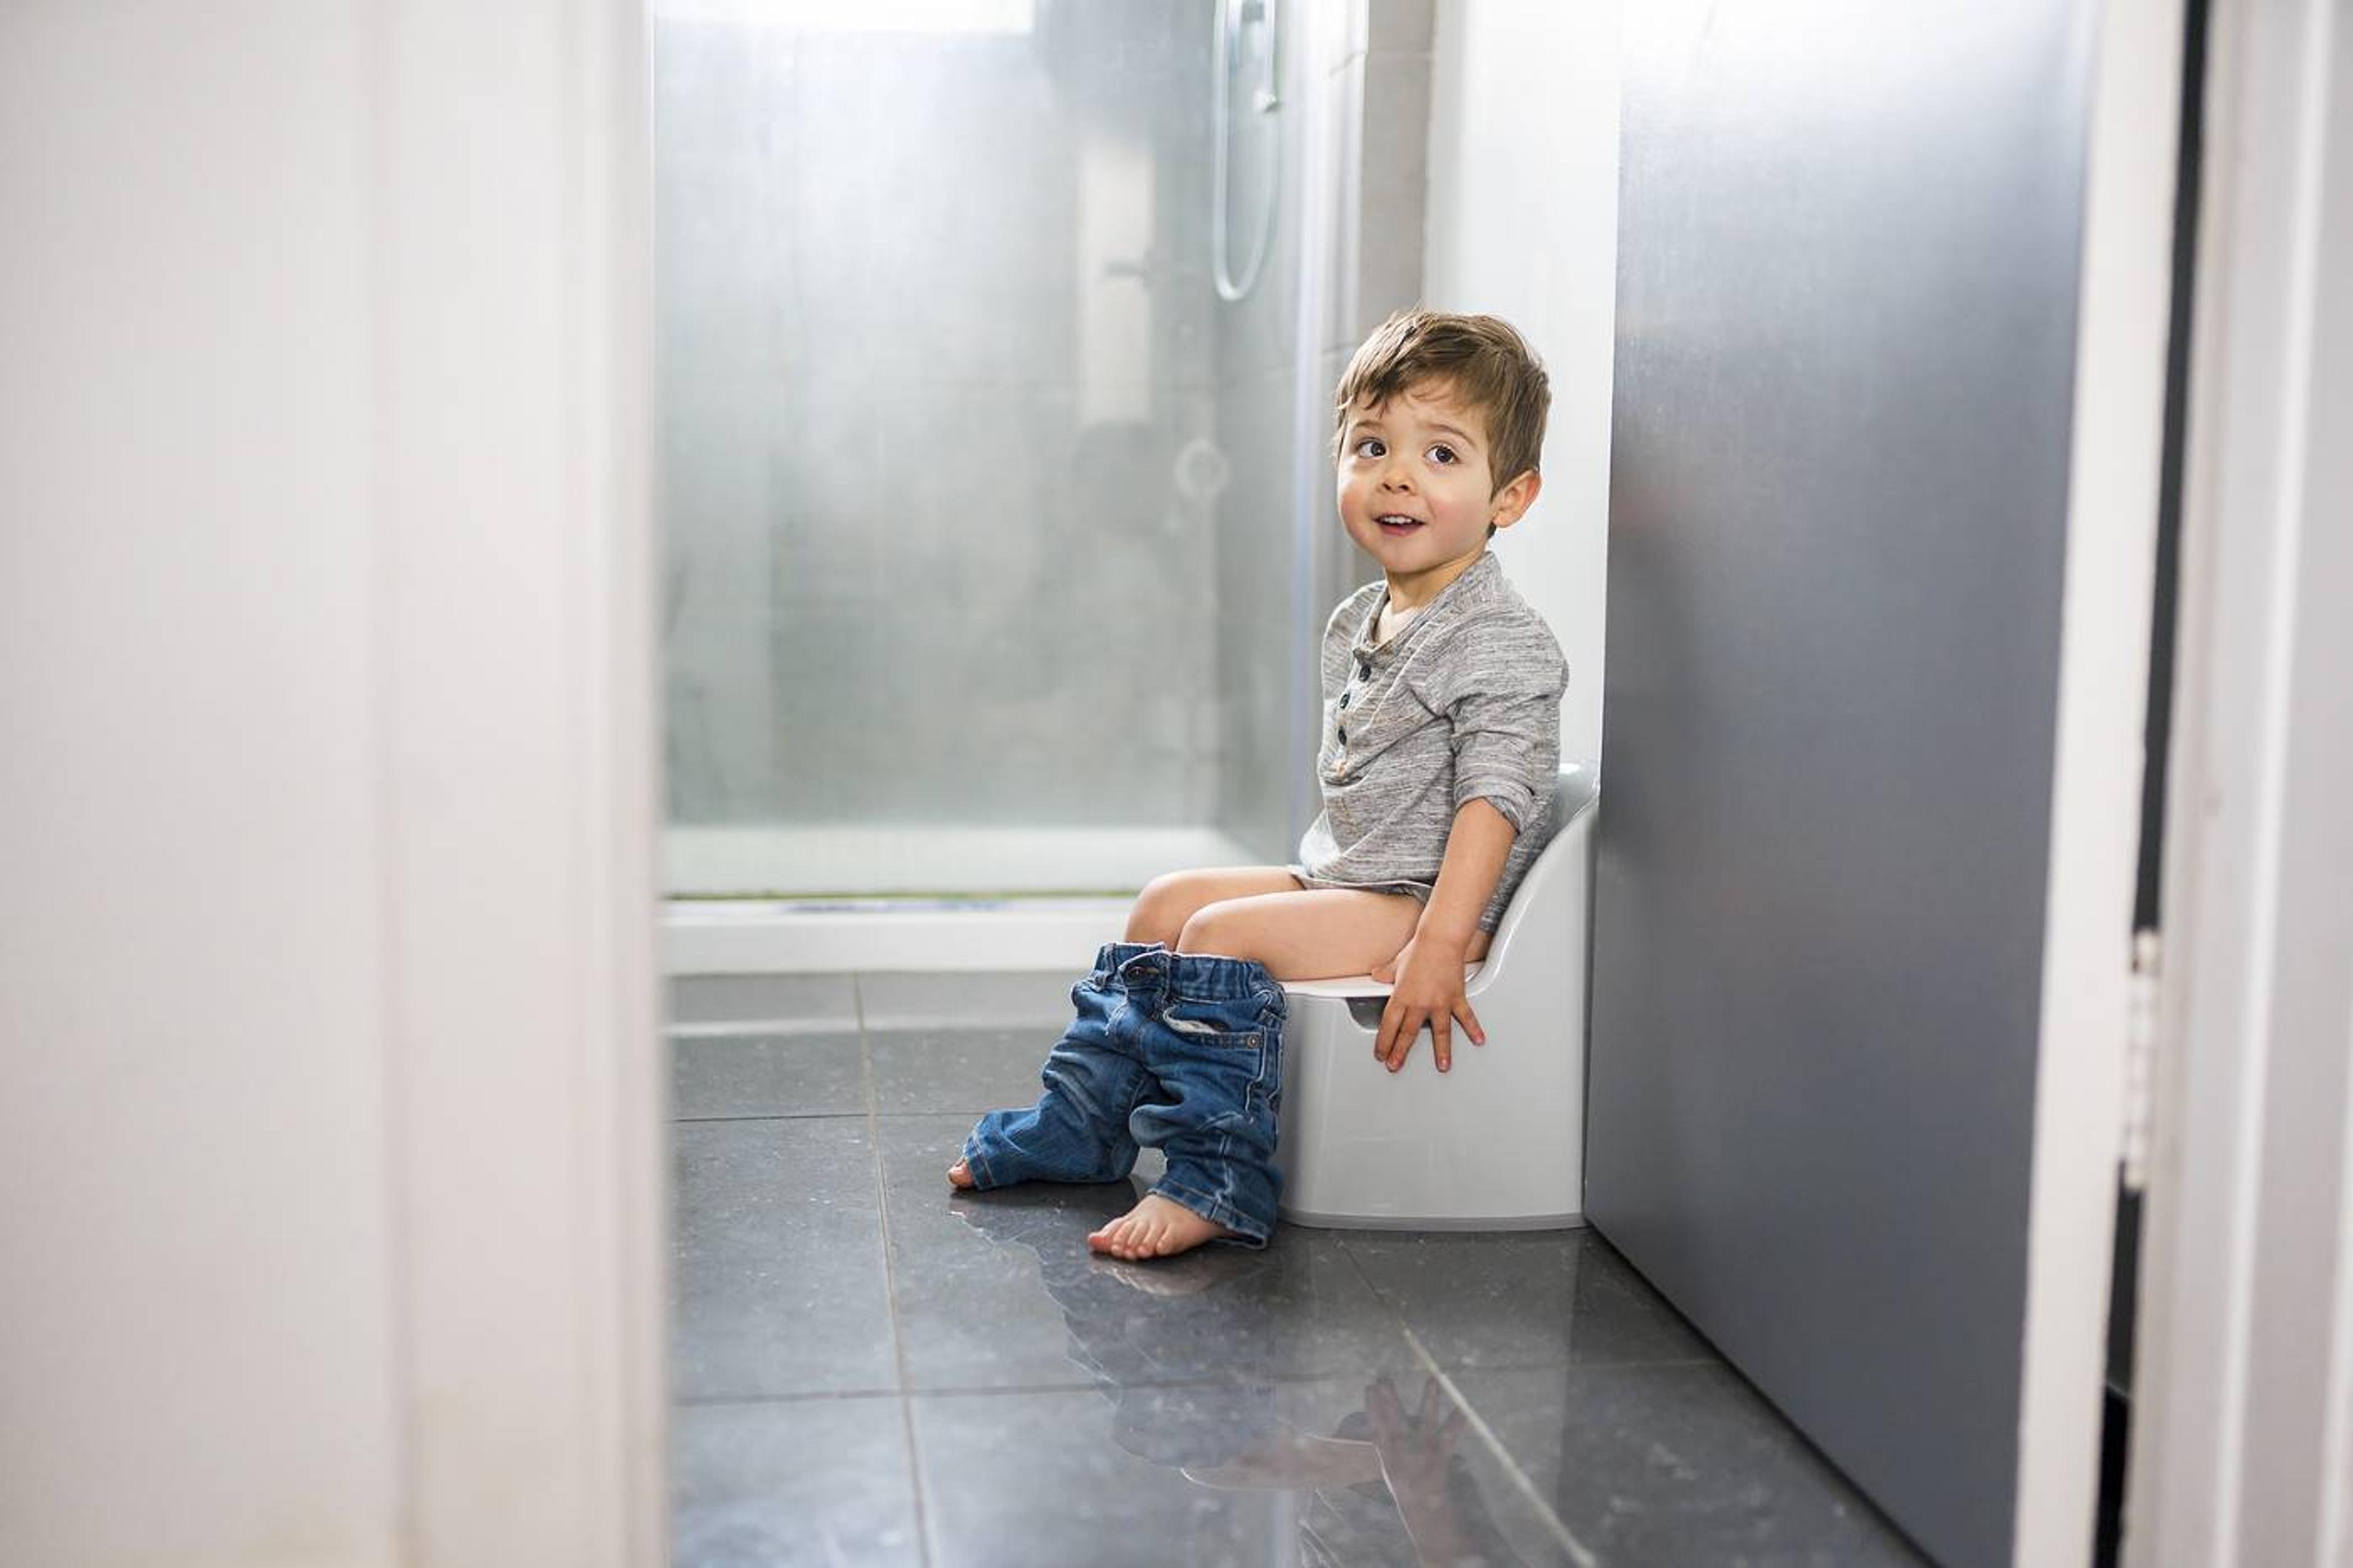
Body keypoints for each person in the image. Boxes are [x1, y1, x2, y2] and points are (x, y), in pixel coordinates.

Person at [949, 309, 1569, 1262]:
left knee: (1220, 936)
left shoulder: (1500, 638)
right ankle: (1085, 1122)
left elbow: (1498, 797)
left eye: (1442, 455)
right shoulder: (1363, 617)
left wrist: (1445, 939)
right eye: (1372, 446)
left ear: (1510, 497)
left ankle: (1218, 1175)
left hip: (1425, 901)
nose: (1397, 476)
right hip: (1352, 880)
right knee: (1164, 905)